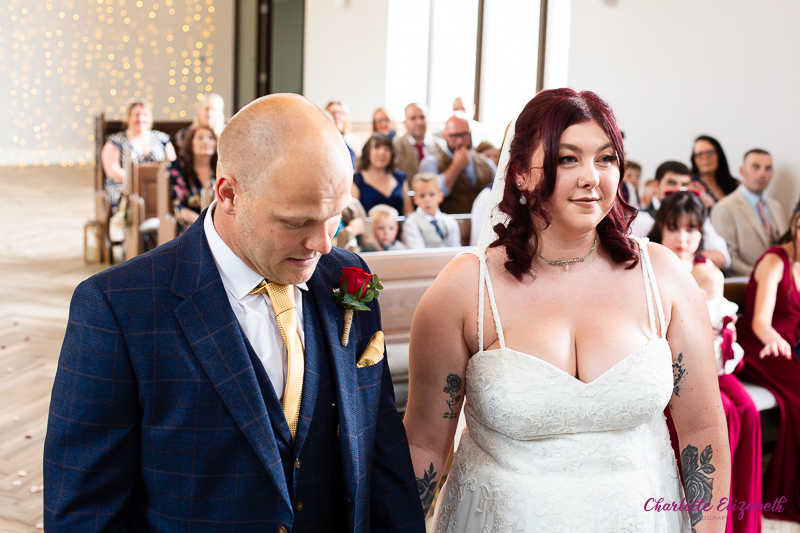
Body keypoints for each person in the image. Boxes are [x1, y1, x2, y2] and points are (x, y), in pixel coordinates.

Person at [44, 94, 425, 532]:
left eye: (335, 216)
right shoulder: (118, 308)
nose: (323, 243)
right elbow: (86, 514)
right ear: (228, 194)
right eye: (297, 222)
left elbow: (382, 455)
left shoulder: (347, 277)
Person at [404, 88, 729, 531]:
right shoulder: (466, 288)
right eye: (567, 159)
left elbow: (702, 432)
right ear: (519, 173)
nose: (592, 177)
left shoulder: (663, 275)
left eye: (606, 158)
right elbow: (424, 443)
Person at [649, 191, 761, 533]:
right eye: (675, 229)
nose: (684, 238)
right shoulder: (651, 267)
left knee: (749, 413)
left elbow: (717, 332)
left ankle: (744, 518)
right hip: (670, 369)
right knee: (723, 415)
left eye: (692, 229)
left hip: (712, 364)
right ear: (661, 230)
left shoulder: (708, 273)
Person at [736, 202, 800, 523]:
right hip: (762, 345)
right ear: (794, 224)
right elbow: (761, 321)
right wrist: (774, 338)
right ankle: (787, 493)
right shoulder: (776, 261)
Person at [631, 161, 731, 269]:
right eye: (672, 183)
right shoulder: (641, 219)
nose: (678, 190)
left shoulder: (697, 216)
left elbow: (723, 257)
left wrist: (688, 256)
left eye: (684, 185)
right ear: (656, 185)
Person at [711, 149, 787, 277]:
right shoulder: (724, 208)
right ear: (742, 171)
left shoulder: (777, 207)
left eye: (768, 168)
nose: (762, 174)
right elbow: (729, 258)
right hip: (744, 285)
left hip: (782, 281)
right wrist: (761, 276)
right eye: (756, 167)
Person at [100, 98, 177, 209]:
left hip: (158, 185)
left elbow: (172, 165)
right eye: (136, 114)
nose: (140, 118)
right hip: (126, 187)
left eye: (144, 114)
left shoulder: (161, 138)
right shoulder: (115, 140)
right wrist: (140, 183)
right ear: (128, 117)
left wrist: (155, 184)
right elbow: (112, 170)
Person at [419, 115, 495, 214]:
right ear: (444, 136)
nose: (460, 141)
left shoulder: (487, 163)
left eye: (464, 135)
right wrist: (456, 166)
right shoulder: (431, 162)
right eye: (454, 136)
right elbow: (431, 195)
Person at [169, 125, 218, 233]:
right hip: (190, 225)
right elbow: (180, 208)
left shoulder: (220, 168)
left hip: (217, 225)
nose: (206, 141)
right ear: (190, 144)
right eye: (200, 138)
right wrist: (203, 224)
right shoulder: (178, 168)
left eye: (210, 138)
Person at [352, 133, 412, 215]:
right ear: (367, 152)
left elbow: (408, 212)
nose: (382, 152)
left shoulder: (400, 178)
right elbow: (353, 214)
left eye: (387, 149)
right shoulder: (356, 180)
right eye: (377, 147)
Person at [401, 173, 461, 249]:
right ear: (415, 199)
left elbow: (456, 249)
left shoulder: (451, 221)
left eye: (432, 194)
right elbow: (418, 254)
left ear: (440, 196)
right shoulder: (411, 223)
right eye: (422, 196)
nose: (427, 200)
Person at [393, 103, 442, 180]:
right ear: (405, 122)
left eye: (422, 117)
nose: (419, 122)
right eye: (413, 118)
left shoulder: (440, 146)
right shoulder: (395, 146)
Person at [690, 135, 739, 207]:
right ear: (694, 159)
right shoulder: (690, 185)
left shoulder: (735, 185)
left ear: (719, 155)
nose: (705, 157)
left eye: (710, 152)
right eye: (699, 154)